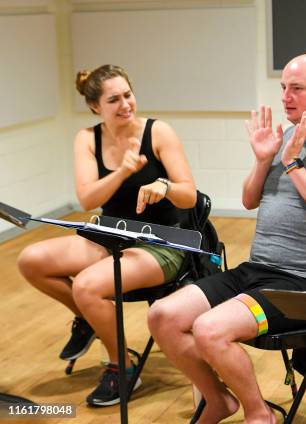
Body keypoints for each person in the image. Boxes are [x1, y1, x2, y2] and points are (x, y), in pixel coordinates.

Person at [148, 53, 306, 423]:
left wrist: (294, 165)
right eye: (283, 88)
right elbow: (249, 200)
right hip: (256, 270)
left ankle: (258, 412)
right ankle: (219, 400)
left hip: (302, 284)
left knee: (209, 330)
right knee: (162, 316)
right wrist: (265, 159)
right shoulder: (288, 136)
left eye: (297, 88)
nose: (286, 97)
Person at [17, 65, 196, 406]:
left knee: (86, 285)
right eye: (114, 99)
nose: (126, 104)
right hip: (110, 234)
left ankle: (123, 368)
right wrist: (124, 171)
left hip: (161, 241)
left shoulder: (159, 132)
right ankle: (89, 320)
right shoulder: (88, 138)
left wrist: (165, 185)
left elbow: (189, 195)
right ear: (96, 107)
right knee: (31, 261)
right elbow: (88, 199)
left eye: (128, 94)